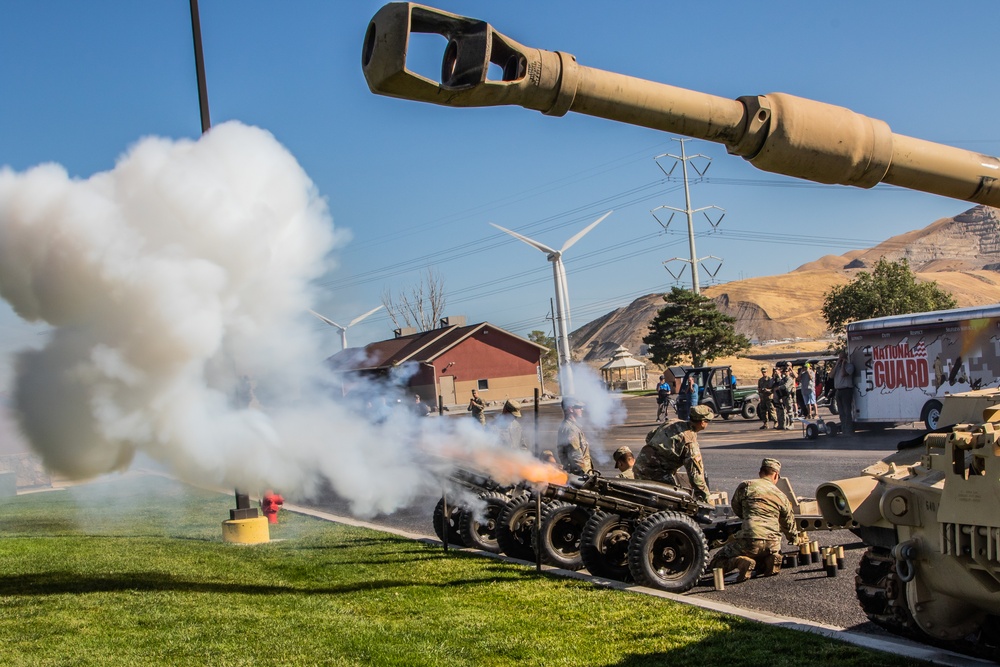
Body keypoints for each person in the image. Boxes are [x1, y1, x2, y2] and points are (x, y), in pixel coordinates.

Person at [707, 458, 806, 583]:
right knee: (762, 554)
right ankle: (771, 558)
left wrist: (748, 517)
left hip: (750, 540)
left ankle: (740, 562)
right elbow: (789, 523)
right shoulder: (781, 496)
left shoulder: (747, 486)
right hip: (773, 542)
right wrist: (794, 539)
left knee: (717, 562)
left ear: (760, 472)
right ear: (776, 475)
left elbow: (736, 507)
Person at [633, 404, 713, 502]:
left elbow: (650, 436)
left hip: (639, 466)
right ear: (702, 423)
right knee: (676, 502)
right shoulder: (690, 442)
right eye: (708, 421)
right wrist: (708, 501)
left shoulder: (672, 422)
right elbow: (696, 478)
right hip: (656, 474)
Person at [557, 398, 594, 475]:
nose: (582, 409)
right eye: (578, 407)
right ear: (570, 409)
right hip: (580, 475)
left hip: (576, 473)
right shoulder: (571, 429)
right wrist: (585, 475)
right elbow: (576, 456)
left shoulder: (567, 426)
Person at [833, 352, 856, 434]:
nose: (840, 359)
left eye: (842, 358)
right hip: (838, 390)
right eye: (839, 358)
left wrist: (843, 364)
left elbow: (843, 374)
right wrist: (836, 365)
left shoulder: (850, 366)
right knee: (841, 411)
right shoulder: (837, 367)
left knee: (847, 410)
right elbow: (831, 375)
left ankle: (849, 429)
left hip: (846, 390)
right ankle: (843, 428)